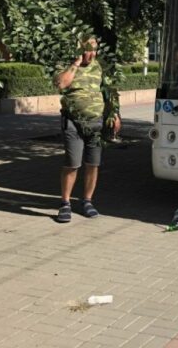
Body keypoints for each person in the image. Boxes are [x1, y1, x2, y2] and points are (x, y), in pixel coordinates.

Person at [53, 36, 120, 223]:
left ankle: (87, 201)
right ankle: (65, 203)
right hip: (73, 123)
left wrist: (114, 114)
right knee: (72, 164)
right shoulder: (64, 65)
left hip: (96, 124)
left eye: (94, 49)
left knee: (93, 164)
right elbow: (61, 84)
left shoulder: (100, 67)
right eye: (87, 50)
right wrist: (75, 64)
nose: (91, 54)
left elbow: (110, 92)